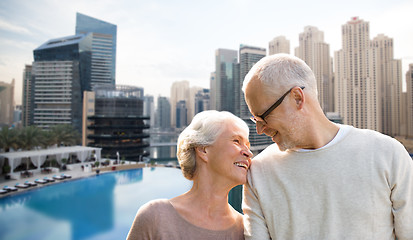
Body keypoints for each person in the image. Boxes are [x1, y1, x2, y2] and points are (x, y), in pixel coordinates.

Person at [241, 53, 413, 239]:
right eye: (254, 120)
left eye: (263, 117)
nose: (259, 129)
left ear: (297, 98)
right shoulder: (258, 173)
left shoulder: (387, 154)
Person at [127, 110, 253, 240]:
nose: (249, 153)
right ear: (203, 150)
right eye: (237, 141)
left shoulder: (246, 230)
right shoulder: (155, 217)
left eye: (248, 146)